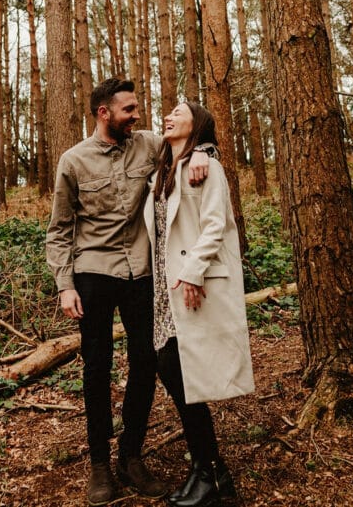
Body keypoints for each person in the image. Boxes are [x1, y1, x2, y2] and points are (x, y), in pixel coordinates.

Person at [46, 78, 212, 506]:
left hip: (141, 273)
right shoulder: (73, 161)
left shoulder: (150, 145)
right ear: (104, 114)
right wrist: (65, 286)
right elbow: (60, 230)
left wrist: (202, 156)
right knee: (96, 368)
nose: (137, 116)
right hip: (93, 273)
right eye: (129, 110)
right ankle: (100, 466)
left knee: (146, 362)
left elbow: (191, 141)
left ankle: (131, 457)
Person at [144, 101, 254, 507]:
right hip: (163, 289)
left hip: (191, 282)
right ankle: (212, 472)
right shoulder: (162, 170)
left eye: (178, 112)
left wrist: (193, 271)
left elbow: (216, 223)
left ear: (198, 125)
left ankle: (208, 473)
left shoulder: (207, 167)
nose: (167, 116)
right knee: (172, 372)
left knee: (179, 372)